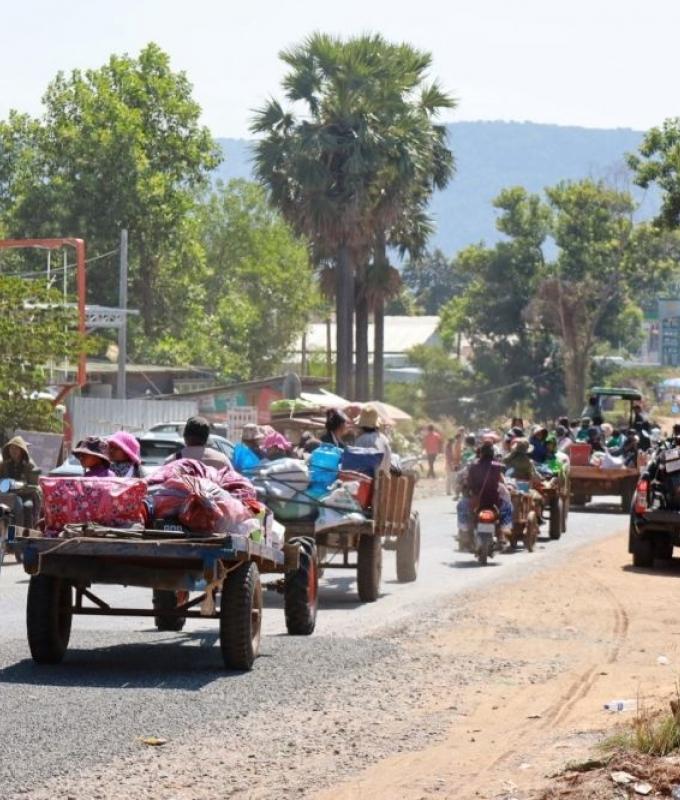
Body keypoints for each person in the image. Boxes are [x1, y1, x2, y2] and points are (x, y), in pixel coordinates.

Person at [457, 442, 513, 547]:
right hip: (493, 500)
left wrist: (467, 487)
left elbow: (468, 482)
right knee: (508, 503)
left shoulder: (473, 465)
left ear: (481, 453)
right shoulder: (497, 465)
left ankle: (464, 530)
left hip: (476, 500)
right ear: (492, 453)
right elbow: (502, 478)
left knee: (461, 505)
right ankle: (505, 526)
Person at [0, 436, 42, 527]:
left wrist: (20, 487)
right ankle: (6, 533)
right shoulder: (4, 464)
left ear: (22, 450)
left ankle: (28, 532)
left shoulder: (30, 465)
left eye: (16, 448)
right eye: (11, 448)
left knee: (27, 507)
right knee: (4, 510)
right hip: (8, 496)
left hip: (26, 496)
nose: (13, 451)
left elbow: (34, 486)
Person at [354, 405, 392, 472]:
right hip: (383, 479)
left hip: (367, 480)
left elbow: (355, 466)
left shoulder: (361, 440)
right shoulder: (384, 439)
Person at [445, 429, 464, 496]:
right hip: (450, 464)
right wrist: (451, 465)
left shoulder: (449, 448)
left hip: (451, 464)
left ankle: (450, 491)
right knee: (451, 477)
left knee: (450, 477)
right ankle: (449, 491)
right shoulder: (449, 449)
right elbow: (449, 458)